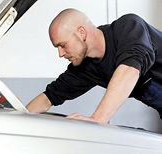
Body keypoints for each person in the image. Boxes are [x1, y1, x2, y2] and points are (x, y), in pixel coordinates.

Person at [26, 8, 162, 123]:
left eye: (62, 45)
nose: (60, 54)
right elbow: (50, 96)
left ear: (81, 33)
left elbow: (129, 70)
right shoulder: (85, 67)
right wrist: (22, 116)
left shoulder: (129, 27)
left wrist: (98, 119)